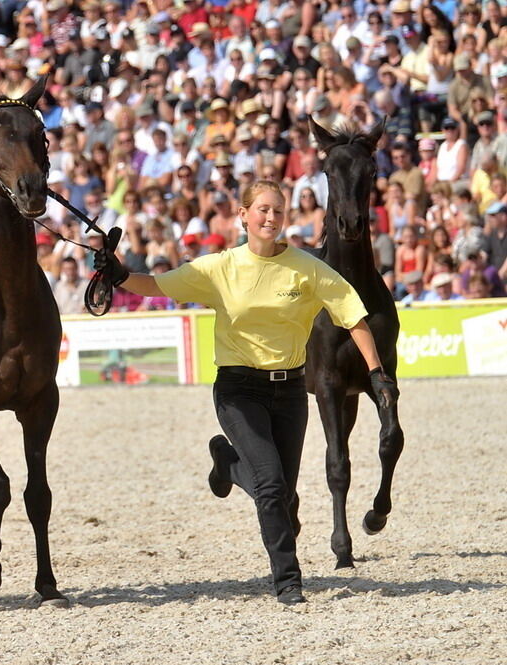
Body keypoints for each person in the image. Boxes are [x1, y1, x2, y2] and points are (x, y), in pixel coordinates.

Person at [94, 180, 397, 604]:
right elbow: (159, 284)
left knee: (282, 494)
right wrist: (120, 274)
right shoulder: (218, 267)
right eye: (263, 210)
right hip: (238, 391)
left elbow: (353, 315)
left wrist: (378, 373)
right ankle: (288, 582)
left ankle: (228, 464)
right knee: (272, 486)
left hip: (290, 392)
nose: (271, 217)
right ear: (243, 215)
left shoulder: (306, 267)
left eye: (278, 210)